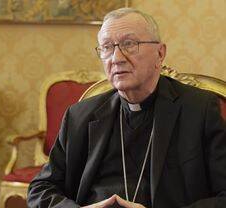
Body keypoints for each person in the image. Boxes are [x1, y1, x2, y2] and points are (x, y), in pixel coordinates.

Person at [27, 7, 226, 208]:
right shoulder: (80, 115)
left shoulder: (199, 109)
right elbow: (41, 188)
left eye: (129, 44)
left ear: (160, 53)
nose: (116, 58)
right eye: (106, 47)